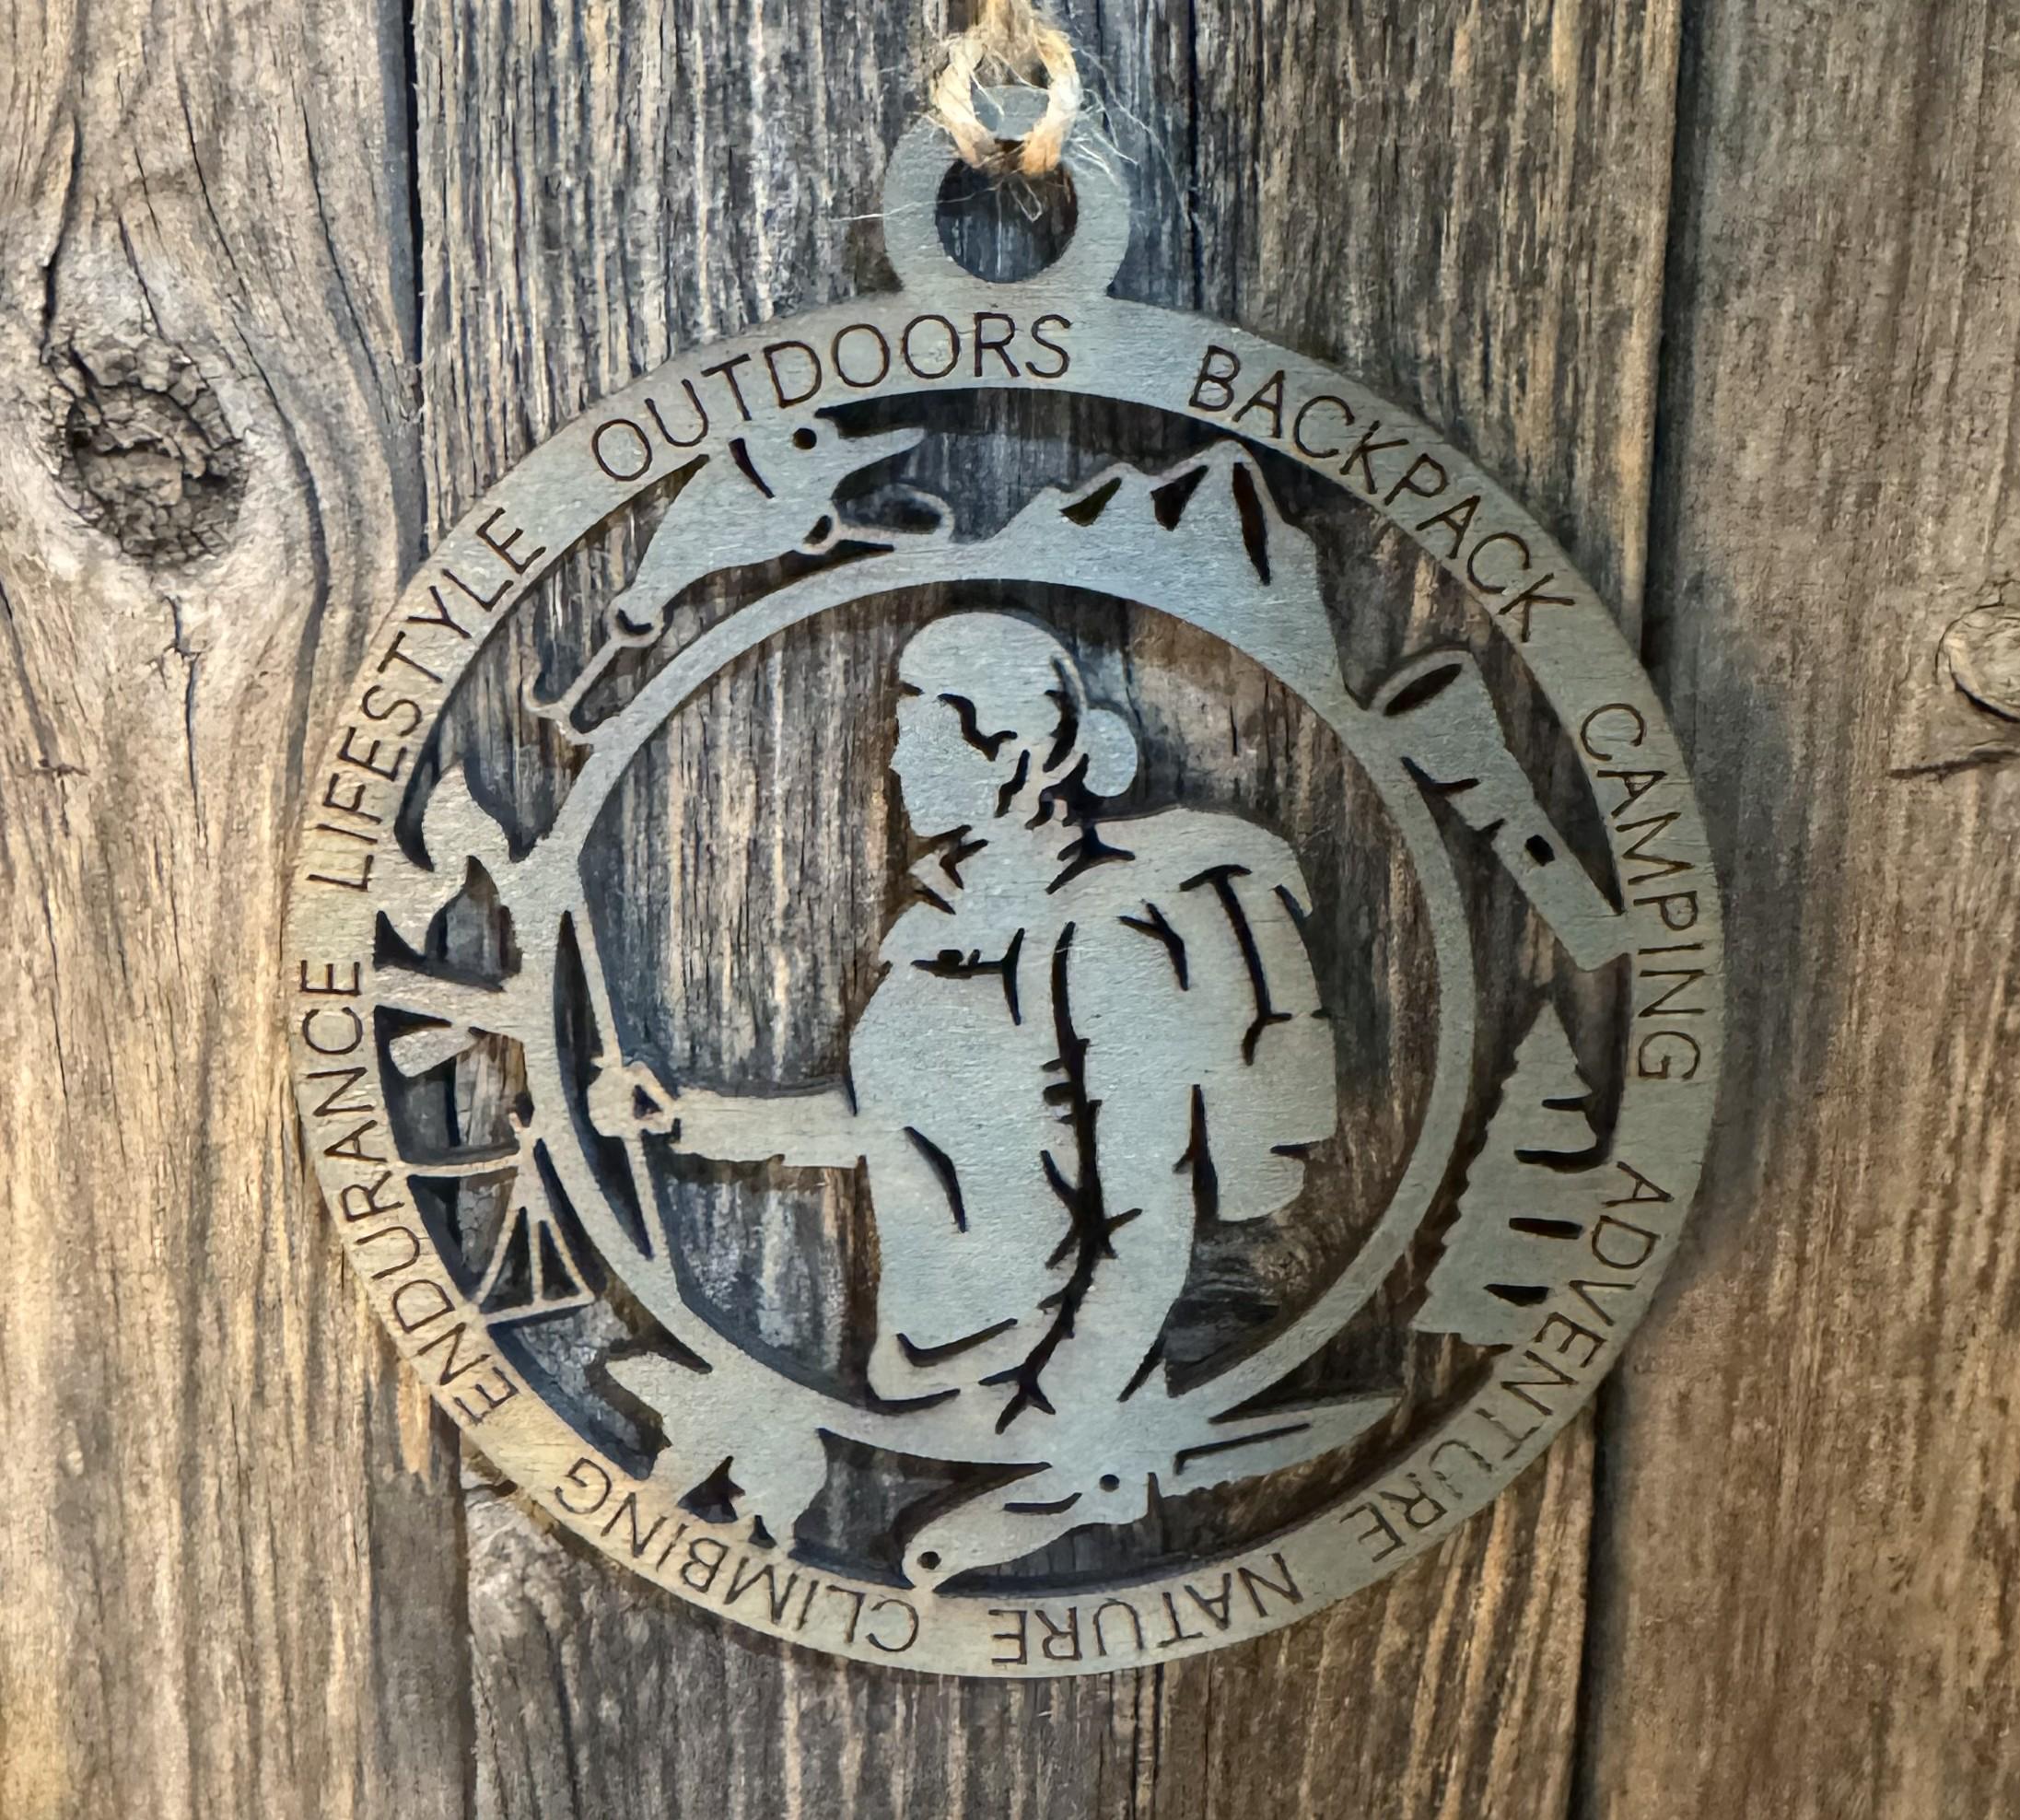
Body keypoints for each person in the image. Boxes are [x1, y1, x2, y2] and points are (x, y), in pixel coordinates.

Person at [590, 610, 1336, 1435]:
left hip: (1035, 1389)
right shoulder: (943, 922)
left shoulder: (1104, 938)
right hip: (923, 1380)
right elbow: (886, 1121)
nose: (895, 760)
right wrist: (689, 1117)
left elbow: (1143, 1222)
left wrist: (1054, 1417)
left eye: (923, 736)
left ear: (1010, 758)